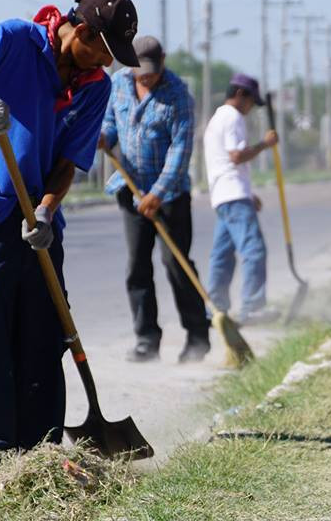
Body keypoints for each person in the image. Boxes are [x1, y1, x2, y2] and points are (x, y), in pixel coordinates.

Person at [0, 0, 140, 489]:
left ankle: (40, 462)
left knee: (42, 341)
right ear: (84, 31)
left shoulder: (95, 86)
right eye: (104, 51)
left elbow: (69, 162)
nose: (108, 63)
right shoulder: (17, 40)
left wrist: (48, 213)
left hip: (40, 230)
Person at [99, 36, 210, 363]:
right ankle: (147, 339)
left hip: (170, 195)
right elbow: (109, 123)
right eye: (139, 72)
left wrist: (157, 194)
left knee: (176, 264)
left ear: (163, 60)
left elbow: (180, 151)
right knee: (137, 267)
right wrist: (104, 137)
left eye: (150, 71)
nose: (144, 78)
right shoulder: (118, 84)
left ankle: (197, 337)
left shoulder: (178, 95)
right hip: (130, 188)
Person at [204, 73, 280, 325]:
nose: (250, 109)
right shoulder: (232, 117)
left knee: (222, 255)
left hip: (224, 195)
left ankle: (215, 310)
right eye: (250, 102)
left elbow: (226, 162)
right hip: (233, 194)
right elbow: (236, 157)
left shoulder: (216, 118)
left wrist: (248, 193)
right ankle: (253, 308)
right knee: (254, 251)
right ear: (240, 95)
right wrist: (264, 144)